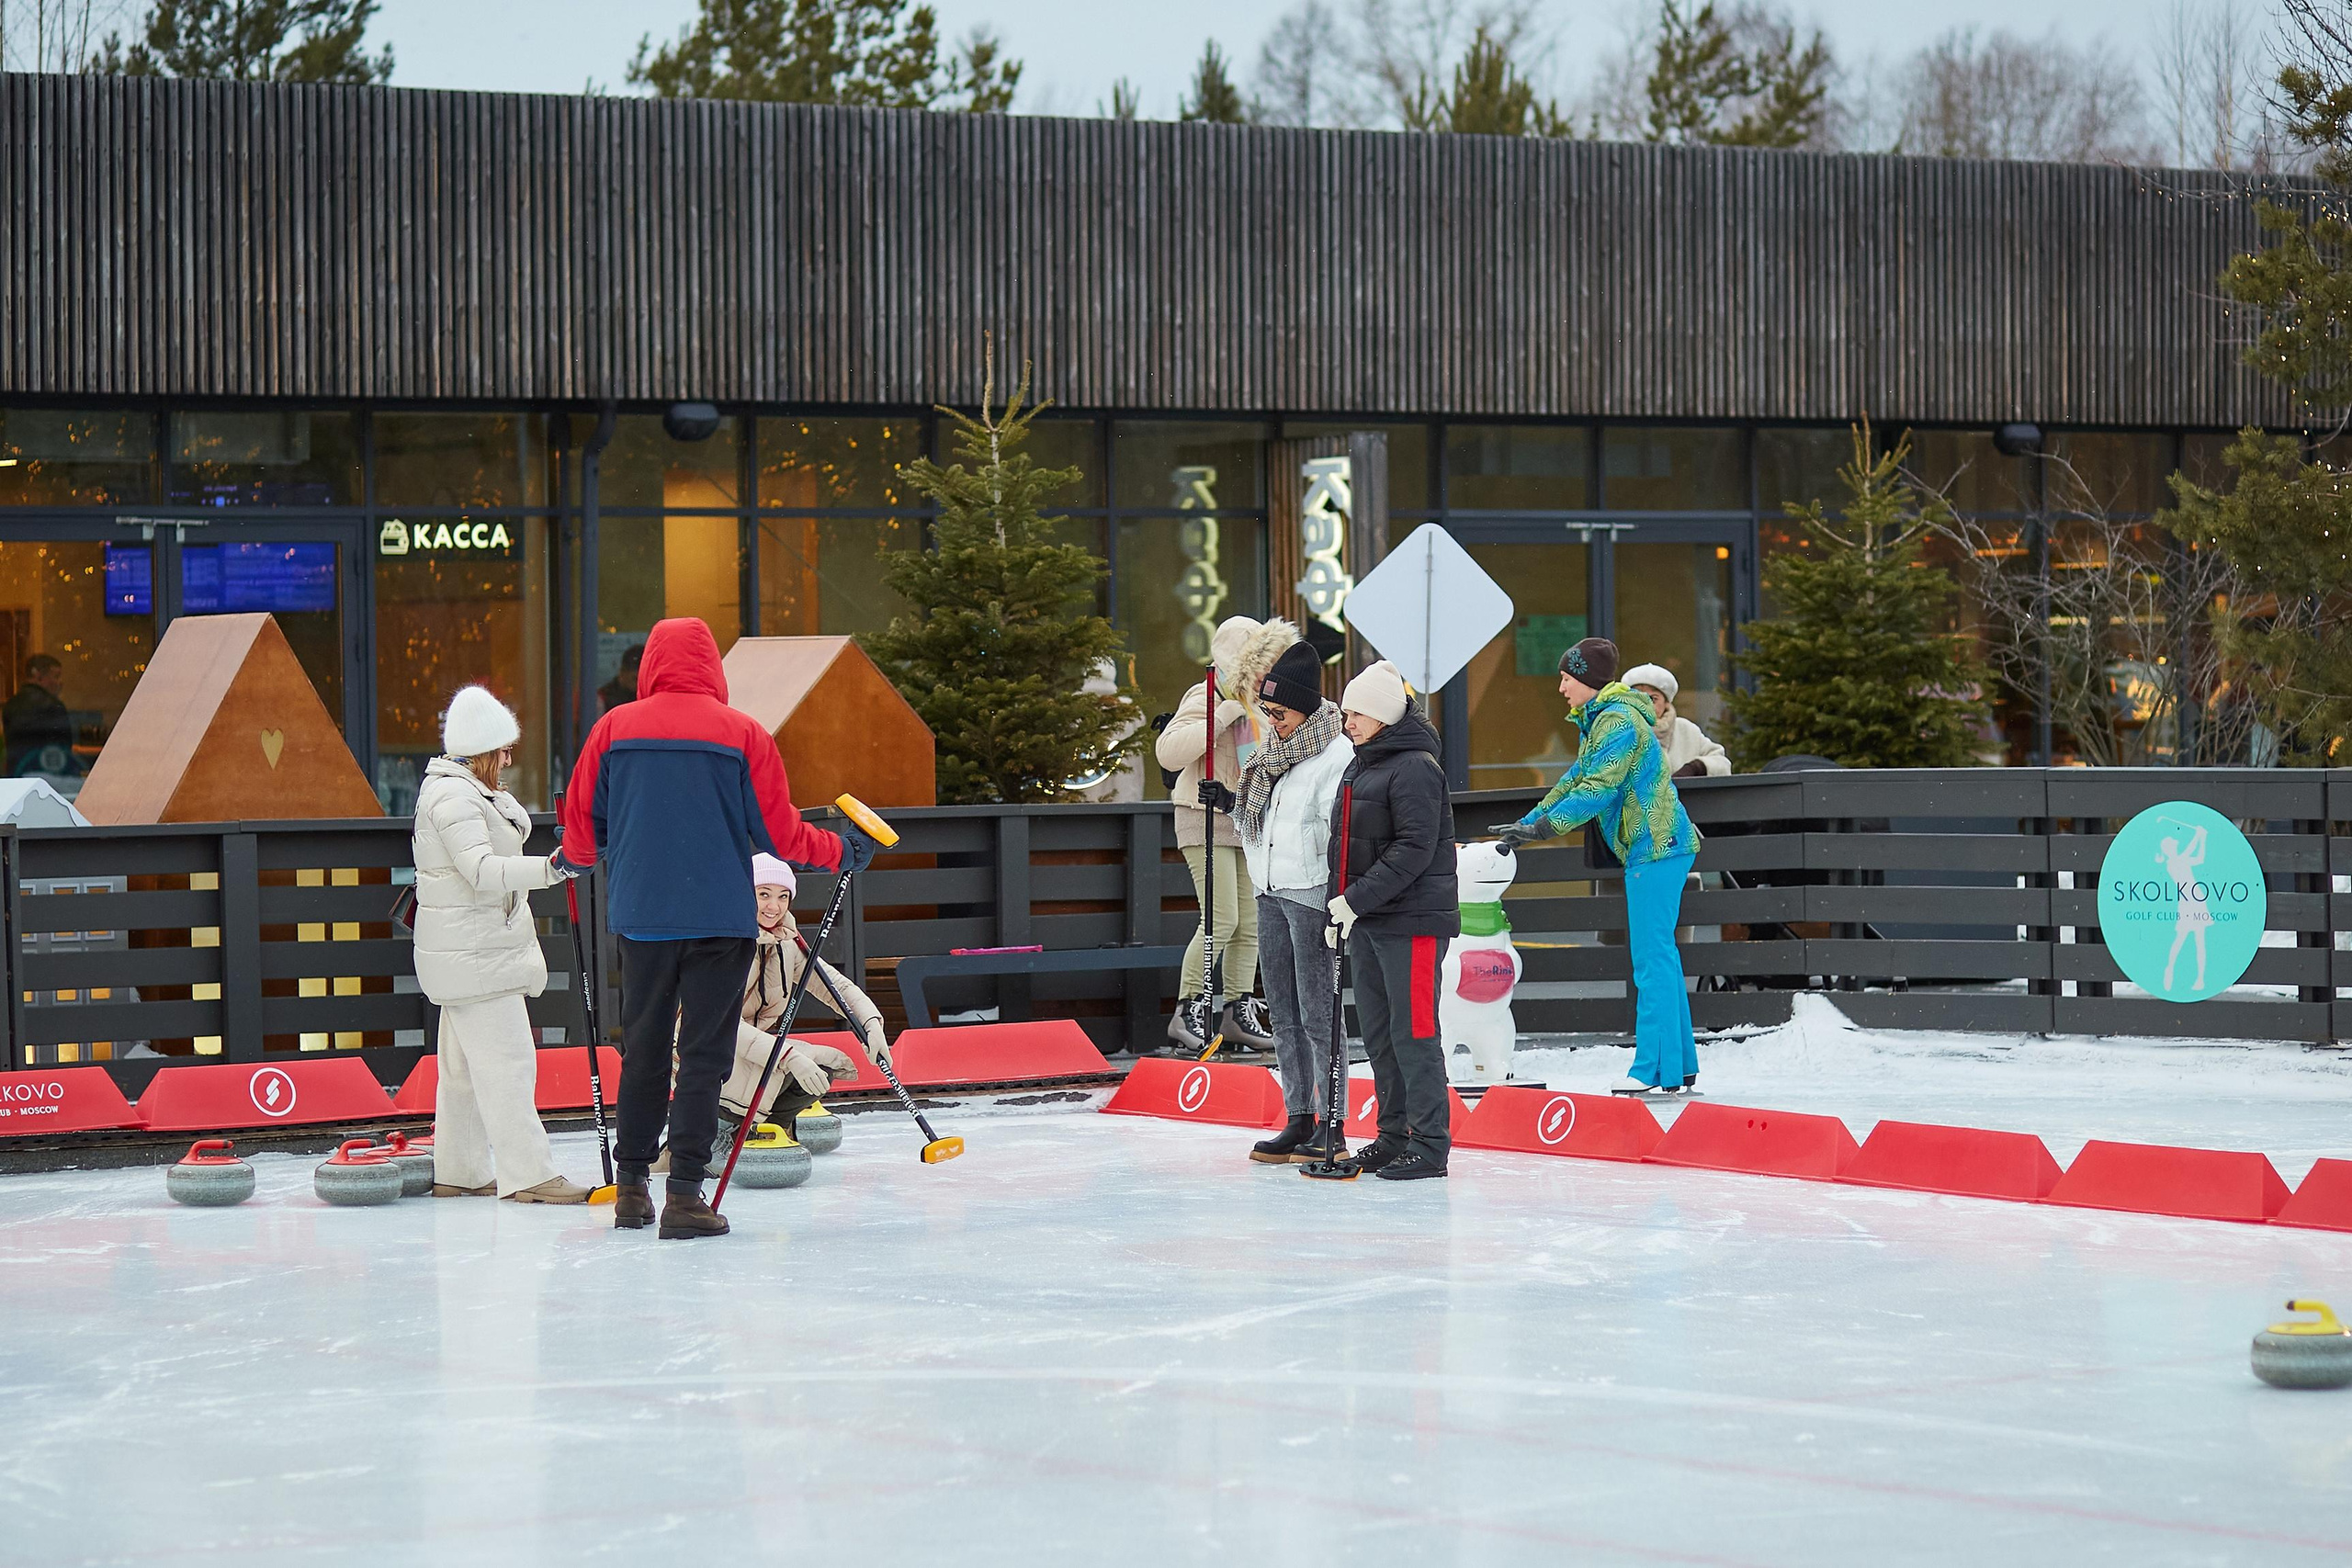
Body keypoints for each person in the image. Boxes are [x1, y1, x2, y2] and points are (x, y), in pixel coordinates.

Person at [558, 616, 883, 1240]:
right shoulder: (743, 734)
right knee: (704, 1056)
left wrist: (574, 858)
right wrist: (842, 851)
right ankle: (684, 1194)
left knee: (645, 1050)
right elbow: (780, 835)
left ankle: (630, 1189)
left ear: (651, 663)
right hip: (717, 922)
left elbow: (582, 831)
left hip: (643, 919)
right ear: (713, 667)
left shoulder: (611, 731)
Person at [1494, 638, 1703, 1096]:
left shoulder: (1620, 722)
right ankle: (1679, 1065)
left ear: (1588, 680)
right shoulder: (1601, 721)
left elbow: (1598, 790)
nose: (1562, 688)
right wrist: (1528, 824)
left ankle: (1649, 1069)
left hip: (1656, 847)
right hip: (1654, 848)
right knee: (1661, 959)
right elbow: (1573, 779)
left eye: (1567, 679)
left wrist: (1547, 829)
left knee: (1651, 961)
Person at [411, 684, 592, 1203]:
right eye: (503, 749)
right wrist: (553, 868)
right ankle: (529, 1174)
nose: (510, 757)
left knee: (463, 1074)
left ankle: (461, 1171)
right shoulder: (452, 796)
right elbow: (481, 870)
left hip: (471, 952)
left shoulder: (469, 793)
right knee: (511, 1065)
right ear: (480, 750)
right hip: (477, 957)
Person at [658, 854, 888, 1170]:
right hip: (698, 1050)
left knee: (824, 1063)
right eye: (763, 894)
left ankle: (764, 1131)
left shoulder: (786, 941)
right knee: (785, 1062)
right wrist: (788, 1055)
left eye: (783, 896)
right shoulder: (719, 943)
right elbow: (721, 1024)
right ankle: (714, 1138)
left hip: (753, 1048)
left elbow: (835, 986)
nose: (773, 906)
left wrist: (871, 1023)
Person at [1325, 660, 1458, 1181]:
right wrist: (1344, 905)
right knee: (1380, 1035)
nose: (1348, 721)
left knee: (1415, 1034)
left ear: (1382, 715)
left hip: (1413, 921)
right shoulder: (1363, 763)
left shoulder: (1416, 767)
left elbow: (1414, 848)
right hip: (1370, 920)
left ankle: (1430, 1145)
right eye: (1346, 712)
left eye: (1357, 712)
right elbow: (1347, 846)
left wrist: (1354, 899)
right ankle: (1393, 1133)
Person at [1234, 639, 1352, 1164]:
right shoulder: (1272, 757)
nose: (1272, 721)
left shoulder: (1336, 754)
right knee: (1281, 1010)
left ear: (1304, 707)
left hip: (1311, 896)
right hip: (1269, 890)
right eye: (1268, 711)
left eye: (1279, 712)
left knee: (1317, 1013)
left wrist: (1339, 897)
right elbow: (1266, 828)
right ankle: (1299, 1114)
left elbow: (1335, 832)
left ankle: (1334, 1120)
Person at [1153, 615, 1291, 1055]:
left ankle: (1237, 1009)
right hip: (1202, 815)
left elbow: (1264, 761)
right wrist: (1221, 716)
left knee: (1250, 923)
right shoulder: (1206, 694)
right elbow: (1169, 752)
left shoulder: (1261, 706)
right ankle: (1188, 1007)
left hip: (1242, 817)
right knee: (1221, 917)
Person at [1621, 663, 1730, 779]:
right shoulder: (1616, 731)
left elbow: (1722, 764)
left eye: (1653, 699)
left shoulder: (1686, 730)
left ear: (1666, 703)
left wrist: (1696, 767)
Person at [3, 653, 74, 777]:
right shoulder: (54, 706)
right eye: (56, 676)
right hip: (51, 774)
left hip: (18, 774)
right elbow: (65, 747)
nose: (60, 682)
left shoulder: (10, 705)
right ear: (39, 677)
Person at [597, 643, 643, 714]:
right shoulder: (604, 699)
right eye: (635, 679)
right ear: (622, 672)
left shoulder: (647, 698)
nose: (638, 685)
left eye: (642, 680)